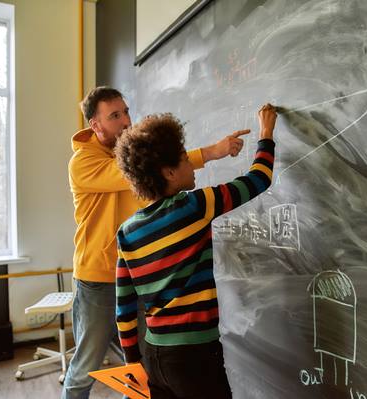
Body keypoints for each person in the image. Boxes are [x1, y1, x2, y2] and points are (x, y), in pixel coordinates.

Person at [64, 86, 248, 399]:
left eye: (125, 111)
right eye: (115, 115)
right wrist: (211, 152)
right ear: (95, 125)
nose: (125, 121)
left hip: (137, 276)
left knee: (138, 367)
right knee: (85, 366)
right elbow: (129, 171)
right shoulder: (83, 162)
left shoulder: (128, 151)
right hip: (97, 278)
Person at [114, 103, 277, 399]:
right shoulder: (193, 206)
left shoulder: (127, 232)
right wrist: (266, 133)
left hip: (153, 356)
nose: (191, 165)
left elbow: (124, 311)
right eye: (184, 159)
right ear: (168, 172)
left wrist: (132, 363)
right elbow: (258, 180)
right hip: (194, 357)